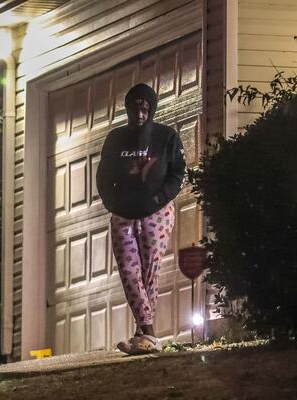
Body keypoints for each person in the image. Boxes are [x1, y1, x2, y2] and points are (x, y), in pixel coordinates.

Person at [96, 83, 186, 355]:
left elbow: (178, 173)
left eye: (145, 107)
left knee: (149, 272)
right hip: (123, 214)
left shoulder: (166, 137)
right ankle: (147, 330)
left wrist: (159, 199)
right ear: (127, 109)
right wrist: (112, 203)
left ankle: (143, 333)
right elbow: (103, 175)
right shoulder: (115, 138)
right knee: (129, 270)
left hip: (157, 214)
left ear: (152, 109)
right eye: (134, 107)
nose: (139, 113)